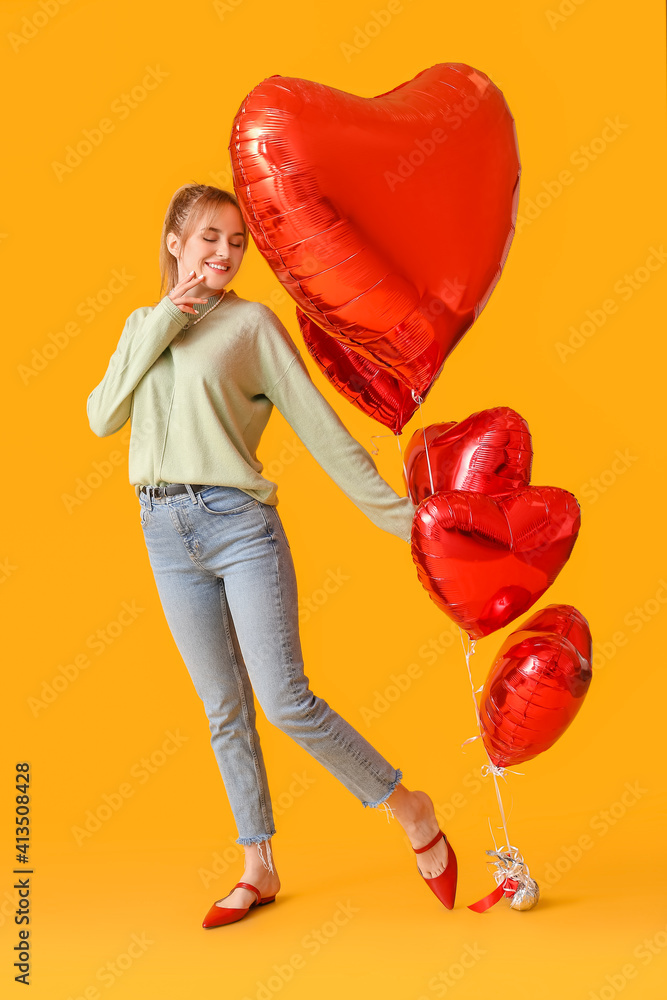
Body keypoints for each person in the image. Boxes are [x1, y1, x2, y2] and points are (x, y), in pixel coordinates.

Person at [86, 182, 457, 927]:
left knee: (283, 699)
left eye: (236, 241)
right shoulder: (142, 324)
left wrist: (410, 524)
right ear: (174, 244)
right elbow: (103, 415)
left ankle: (409, 808)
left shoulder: (253, 327)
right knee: (222, 706)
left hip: (238, 526)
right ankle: (258, 865)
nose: (225, 253)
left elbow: (323, 433)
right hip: (163, 530)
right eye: (208, 240)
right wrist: (167, 317)